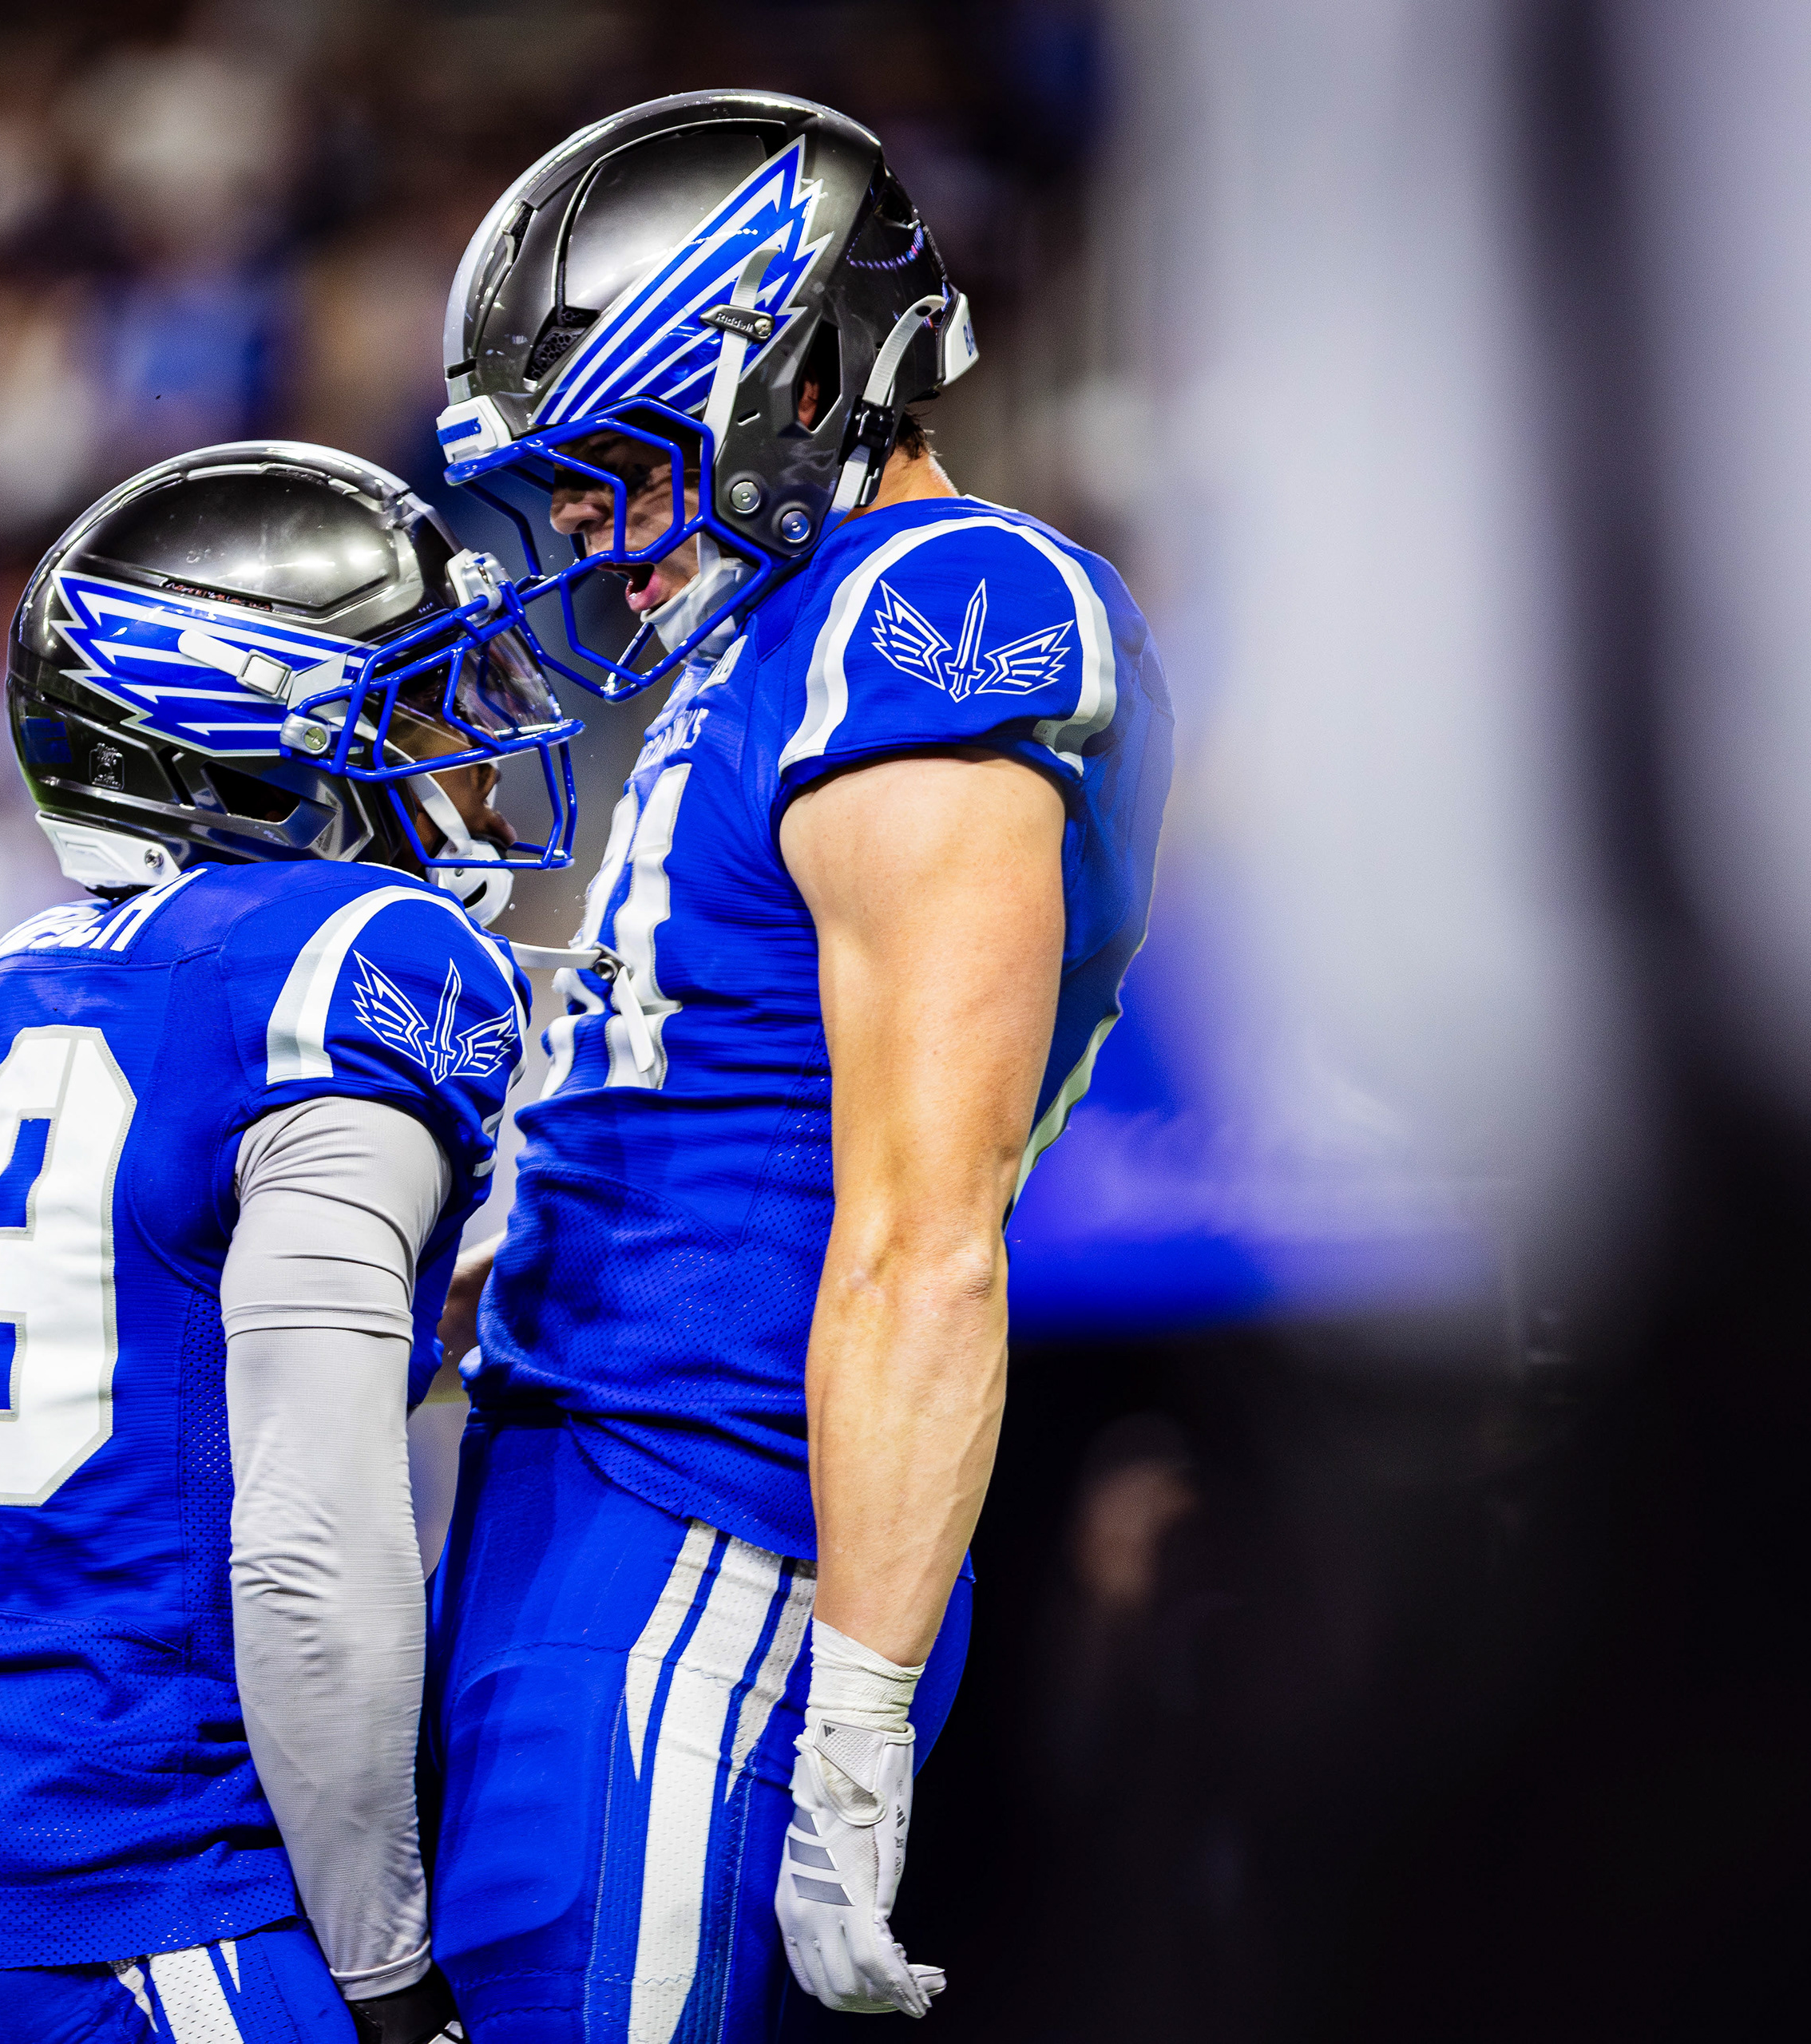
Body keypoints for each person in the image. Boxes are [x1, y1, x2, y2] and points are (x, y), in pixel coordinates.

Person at [419, 93, 1174, 2034]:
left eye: (614, 465)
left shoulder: (939, 610)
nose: (582, 530)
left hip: (717, 1519)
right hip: (582, 1483)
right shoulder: (772, 646)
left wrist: (852, 1715)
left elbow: (928, 1234)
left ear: (804, 377)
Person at [0, 442, 582, 2044]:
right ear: (264, 738)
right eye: (430, 701)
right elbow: (307, 1546)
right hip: (147, 1893)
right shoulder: (359, 953)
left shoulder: (22, 974)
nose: (488, 747)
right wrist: (386, 1975)